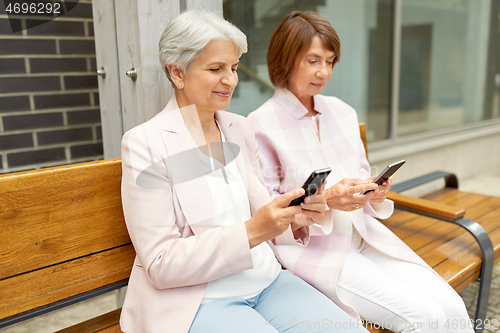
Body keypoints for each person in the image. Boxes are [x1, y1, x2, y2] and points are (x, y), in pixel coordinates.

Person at [119, 10, 370, 333]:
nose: (231, 80)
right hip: (200, 298)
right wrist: (252, 232)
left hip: (267, 281)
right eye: (216, 69)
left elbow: (262, 211)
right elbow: (161, 264)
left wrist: (297, 217)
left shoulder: (238, 128)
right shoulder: (145, 144)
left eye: (234, 68)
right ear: (177, 73)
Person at [247, 11, 474, 333]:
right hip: (317, 251)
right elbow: (267, 212)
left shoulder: (342, 111)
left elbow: (361, 173)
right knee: (425, 318)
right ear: (285, 59)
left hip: (367, 236)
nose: (323, 71)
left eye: (330, 60)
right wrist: (327, 201)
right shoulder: (260, 124)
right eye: (312, 60)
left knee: (451, 306)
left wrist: (374, 190)